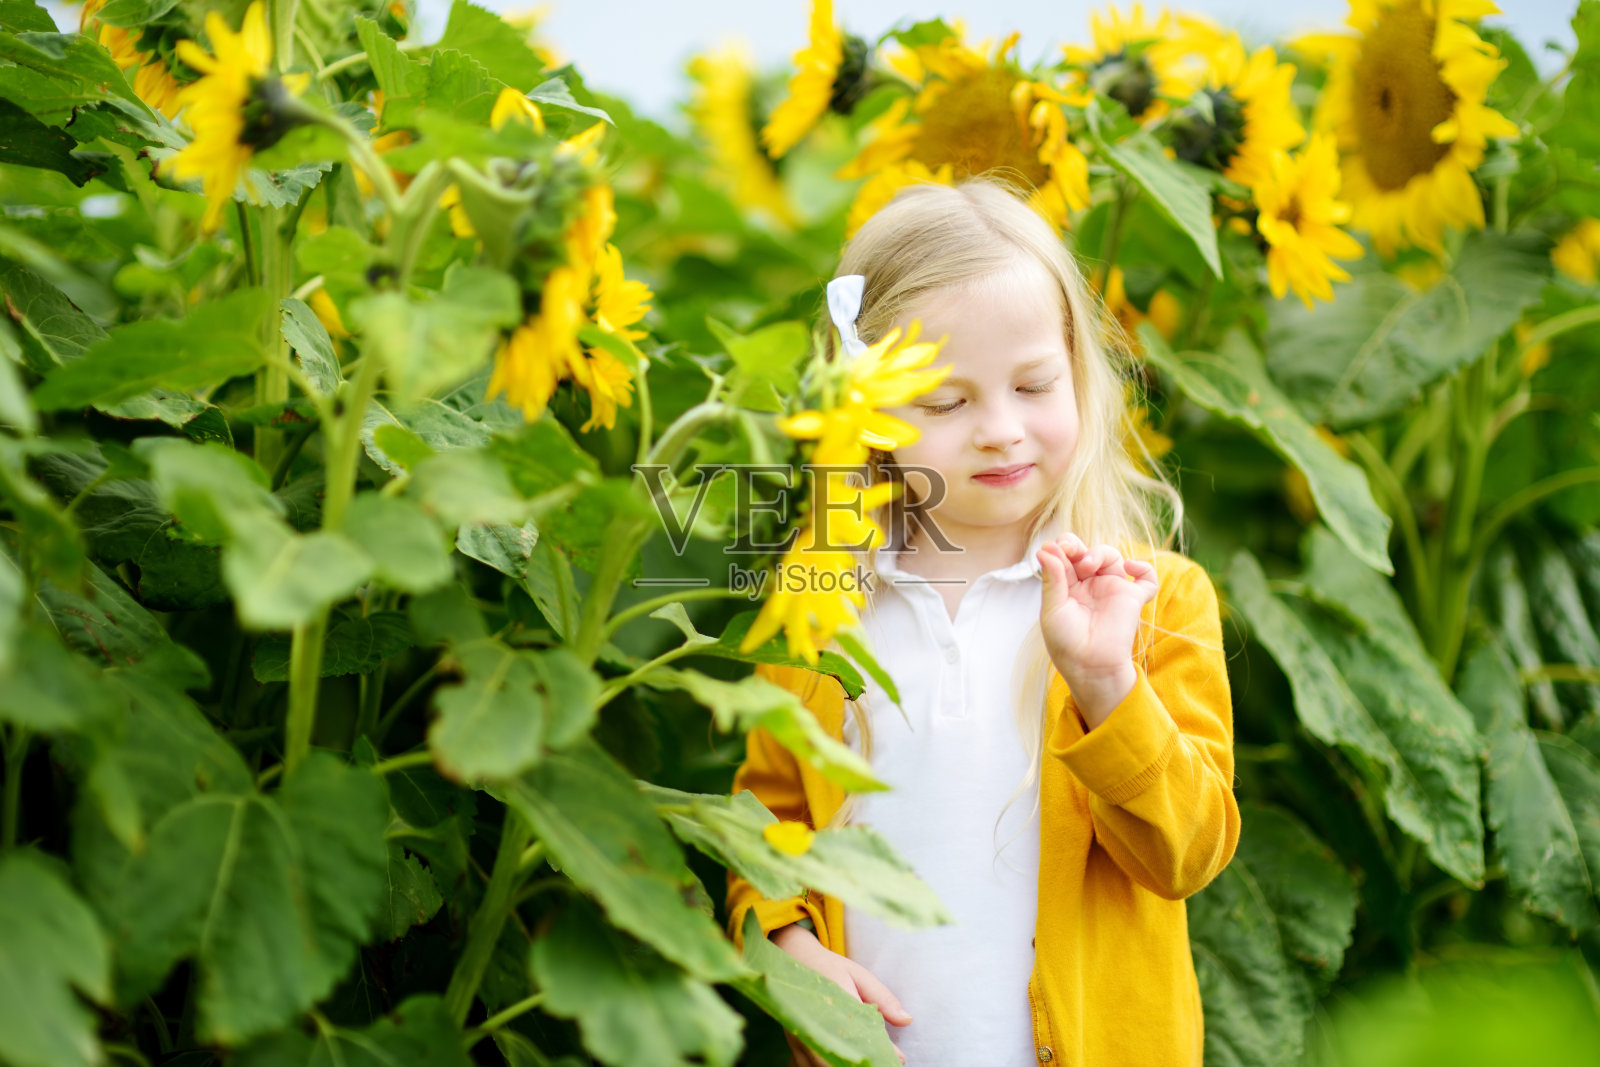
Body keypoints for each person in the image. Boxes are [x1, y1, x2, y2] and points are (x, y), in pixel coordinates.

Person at [724, 176, 1240, 1067]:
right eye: (944, 402)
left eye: (1034, 384)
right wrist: (787, 947)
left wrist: (1105, 685)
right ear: (869, 412)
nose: (1001, 429)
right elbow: (764, 818)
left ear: (1079, 370)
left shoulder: (1152, 599)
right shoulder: (821, 601)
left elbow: (1186, 853)